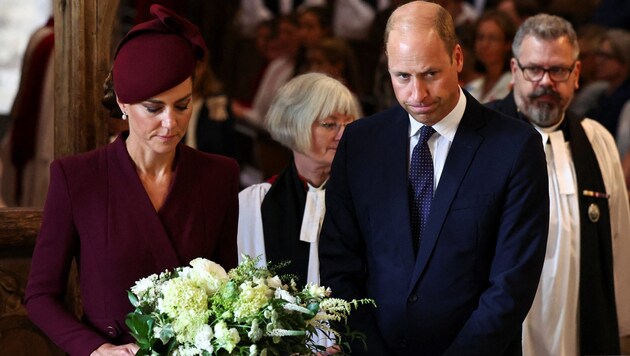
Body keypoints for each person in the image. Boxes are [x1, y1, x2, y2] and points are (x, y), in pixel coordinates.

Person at [319, 2, 550, 355]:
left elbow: (512, 284)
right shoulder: (360, 143)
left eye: (430, 74)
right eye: (403, 77)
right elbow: (339, 263)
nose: (417, 95)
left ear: (457, 58)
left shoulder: (515, 147)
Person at [24, 5, 240, 356]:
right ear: (123, 104)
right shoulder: (77, 178)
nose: (171, 123)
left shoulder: (220, 175)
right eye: (154, 109)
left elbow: (228, 288)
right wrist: (97, 349)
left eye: (182, 106)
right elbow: (39, 295)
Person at [486, 14, 630, 355]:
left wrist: (622, 330)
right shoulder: (481, 136)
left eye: (558, 71)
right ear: (514, 71)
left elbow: (619, 243)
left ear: (577, 74)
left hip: (578, 328)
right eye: (534, 69)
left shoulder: (597, 141)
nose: (545, 82)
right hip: (503, 329)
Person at [238, 72, 360, 286]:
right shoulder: (254, 204)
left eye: (348, 125)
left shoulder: (365, 199)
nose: (343, 135)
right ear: (295, 126)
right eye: (330, 124)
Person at [464, 10, 516, 103]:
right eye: (480, 37)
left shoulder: (514, 84)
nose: (484, 44)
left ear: (508, 44)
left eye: (493, 38)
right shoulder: (472, 87)